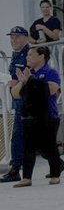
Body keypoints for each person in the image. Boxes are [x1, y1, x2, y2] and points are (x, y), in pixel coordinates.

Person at [10, 46, 64, 187]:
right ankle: (26, 177)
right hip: (29, 115)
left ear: (41, 57)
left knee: (49, 146)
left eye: (31, 55)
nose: (27, 57)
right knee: (28, 147)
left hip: (47, 115)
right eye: (27, 55)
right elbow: (15, 93)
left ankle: (55, 174)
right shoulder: (27, 73)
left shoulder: (50, 72)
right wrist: (23, 81)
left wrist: (29, 81)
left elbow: (50, 90)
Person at [2, 26, 32, 183]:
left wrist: (12, 82)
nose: (13, 40)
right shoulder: (17, 54)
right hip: (19, 99)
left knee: (18, 135)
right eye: (11, 37)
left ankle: (15, 170)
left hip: (25, 99)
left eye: (17, 37)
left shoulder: (28, 55)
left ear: (26, 38)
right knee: (31, 135)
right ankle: (56, 162)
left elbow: (23, 78)